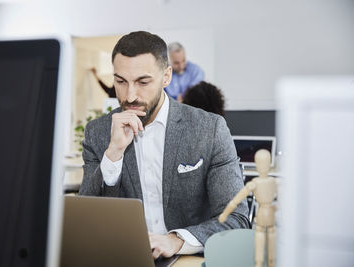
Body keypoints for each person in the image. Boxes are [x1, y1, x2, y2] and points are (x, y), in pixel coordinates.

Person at [79, 31, 249, 259]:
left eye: (143, 82)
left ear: (166, 76)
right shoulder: (97, 133)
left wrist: (176, 241)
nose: (130, 96)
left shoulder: (210, 129)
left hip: (187, 259)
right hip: (123, 259)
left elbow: (236, 220)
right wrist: (113, 154)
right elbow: (85, 220)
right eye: (120, 81)